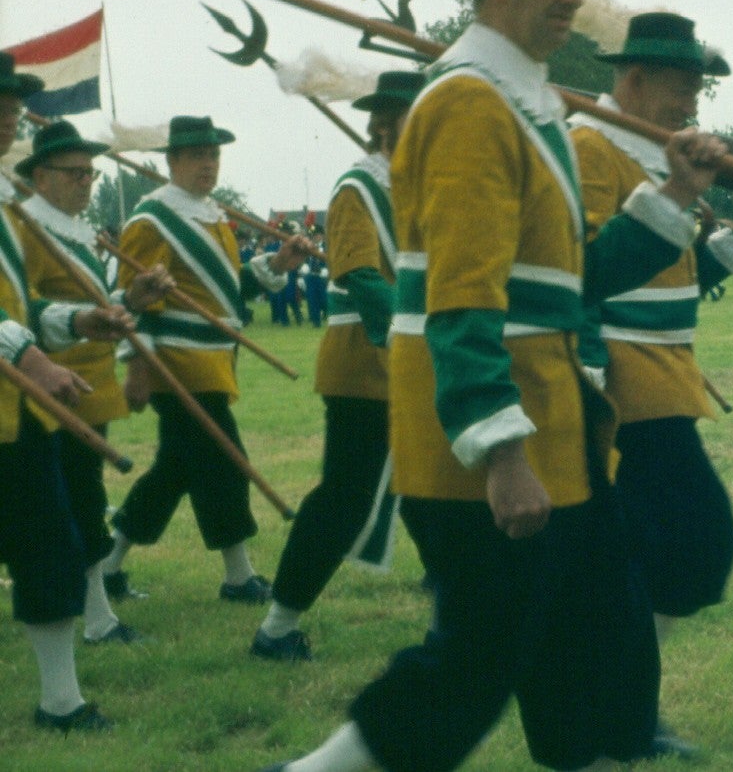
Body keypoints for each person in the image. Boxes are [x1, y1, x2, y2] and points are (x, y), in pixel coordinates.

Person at [264, 0, 729, 772]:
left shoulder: (524, 102)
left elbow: (570, 283)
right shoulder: (472, 102)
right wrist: (503, 453)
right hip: (489, 452)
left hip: (557, 431)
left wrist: (672, 196)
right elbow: (460, 294)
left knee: (600, 647)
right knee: (476, 666)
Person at [572, 11, 733, 758]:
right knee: (693, 541)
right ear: (632, 79)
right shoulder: (590, 148)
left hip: (668, 379)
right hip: (618, 384)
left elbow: (680, 273)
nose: (691, 106)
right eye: (679, 88)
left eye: (696, 90)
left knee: (678, 555)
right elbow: (587, 270)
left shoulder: (655, 158)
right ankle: (619, 719)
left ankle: (625, 708)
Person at [251, 71, 427, 662]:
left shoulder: (421, 184)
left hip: (415, 362)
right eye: (410, 113)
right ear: (382, 124)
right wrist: (418, 333)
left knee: (439, 482)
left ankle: (458, 596)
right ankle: (277, 627)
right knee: (345, 500)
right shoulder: (358, 188)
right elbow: (358, 272)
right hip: (365, 368)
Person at [104, 115, 314, 604]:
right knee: (225, 461)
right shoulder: (151, 220)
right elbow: (132, 300)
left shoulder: (212, 215)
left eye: (214, 154)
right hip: (175, 368)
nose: (208, 163)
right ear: (172, 161)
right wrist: (137, 368)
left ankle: (109, 564)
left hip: (216, 363)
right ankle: (238, 577)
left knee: (175, 470)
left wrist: (279, 264)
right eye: (197, 154)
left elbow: (225, 294)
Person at [0, 66, 146, 735]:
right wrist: (29, 351)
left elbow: (22, 305)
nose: (11, 114)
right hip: (22, 382)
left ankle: (60, 701)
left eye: (13, 103)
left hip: (17, 405)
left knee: (49, 540)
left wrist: (76, 323)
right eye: (0, 104)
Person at [17, 121, 174, 649]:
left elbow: (97, 309)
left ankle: (94, 612)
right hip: (49, 387)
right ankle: (98, 618)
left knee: (81, 497)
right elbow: (26, 310)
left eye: (91, 172)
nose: (86, 182)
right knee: (71, 504)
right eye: (74, 173)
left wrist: (133, 298)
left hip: (88, 387)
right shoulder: (26, 230)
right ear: (40, 177)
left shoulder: (74, 230)